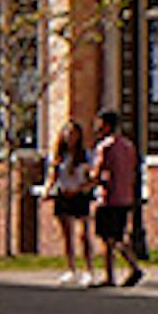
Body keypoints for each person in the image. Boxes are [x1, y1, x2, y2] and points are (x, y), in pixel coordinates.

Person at [92, 110, 146, 288]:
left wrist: (89, 178)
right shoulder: (129, 146)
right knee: (118, 235)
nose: (96, 128)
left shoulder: (105, 147)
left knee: (108, 238)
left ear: (106, 125)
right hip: (125, 197)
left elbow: (98, 173)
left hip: (108, 198)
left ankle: (114, 274)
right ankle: (130, 267)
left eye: (99, 124)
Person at [47, 121, 94, 285]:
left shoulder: (85, 155)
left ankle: (89, 270)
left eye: (74, 133)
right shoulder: (59, 155)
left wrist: (81, 188)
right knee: (67, 234)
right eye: (68, 133)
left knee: (83, 234)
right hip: (63, 194)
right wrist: (48, 190)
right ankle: (71, 269)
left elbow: (92, 179)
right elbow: (53, 175)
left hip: (79, 195)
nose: (70, 137)